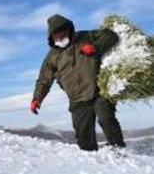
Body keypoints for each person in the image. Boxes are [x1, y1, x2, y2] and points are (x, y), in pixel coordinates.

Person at [30, 14, 126, 151]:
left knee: (106, 119)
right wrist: (37, 98)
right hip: (77, 99)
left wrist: (96, 47)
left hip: (99, 91)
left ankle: (120, 151)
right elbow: (44, 79)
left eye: (62, 35)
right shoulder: (52, 56)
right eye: (56, 37)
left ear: (69, 30)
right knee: (84, 140)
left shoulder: (86, 37)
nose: (59, 39)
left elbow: (111, 36)